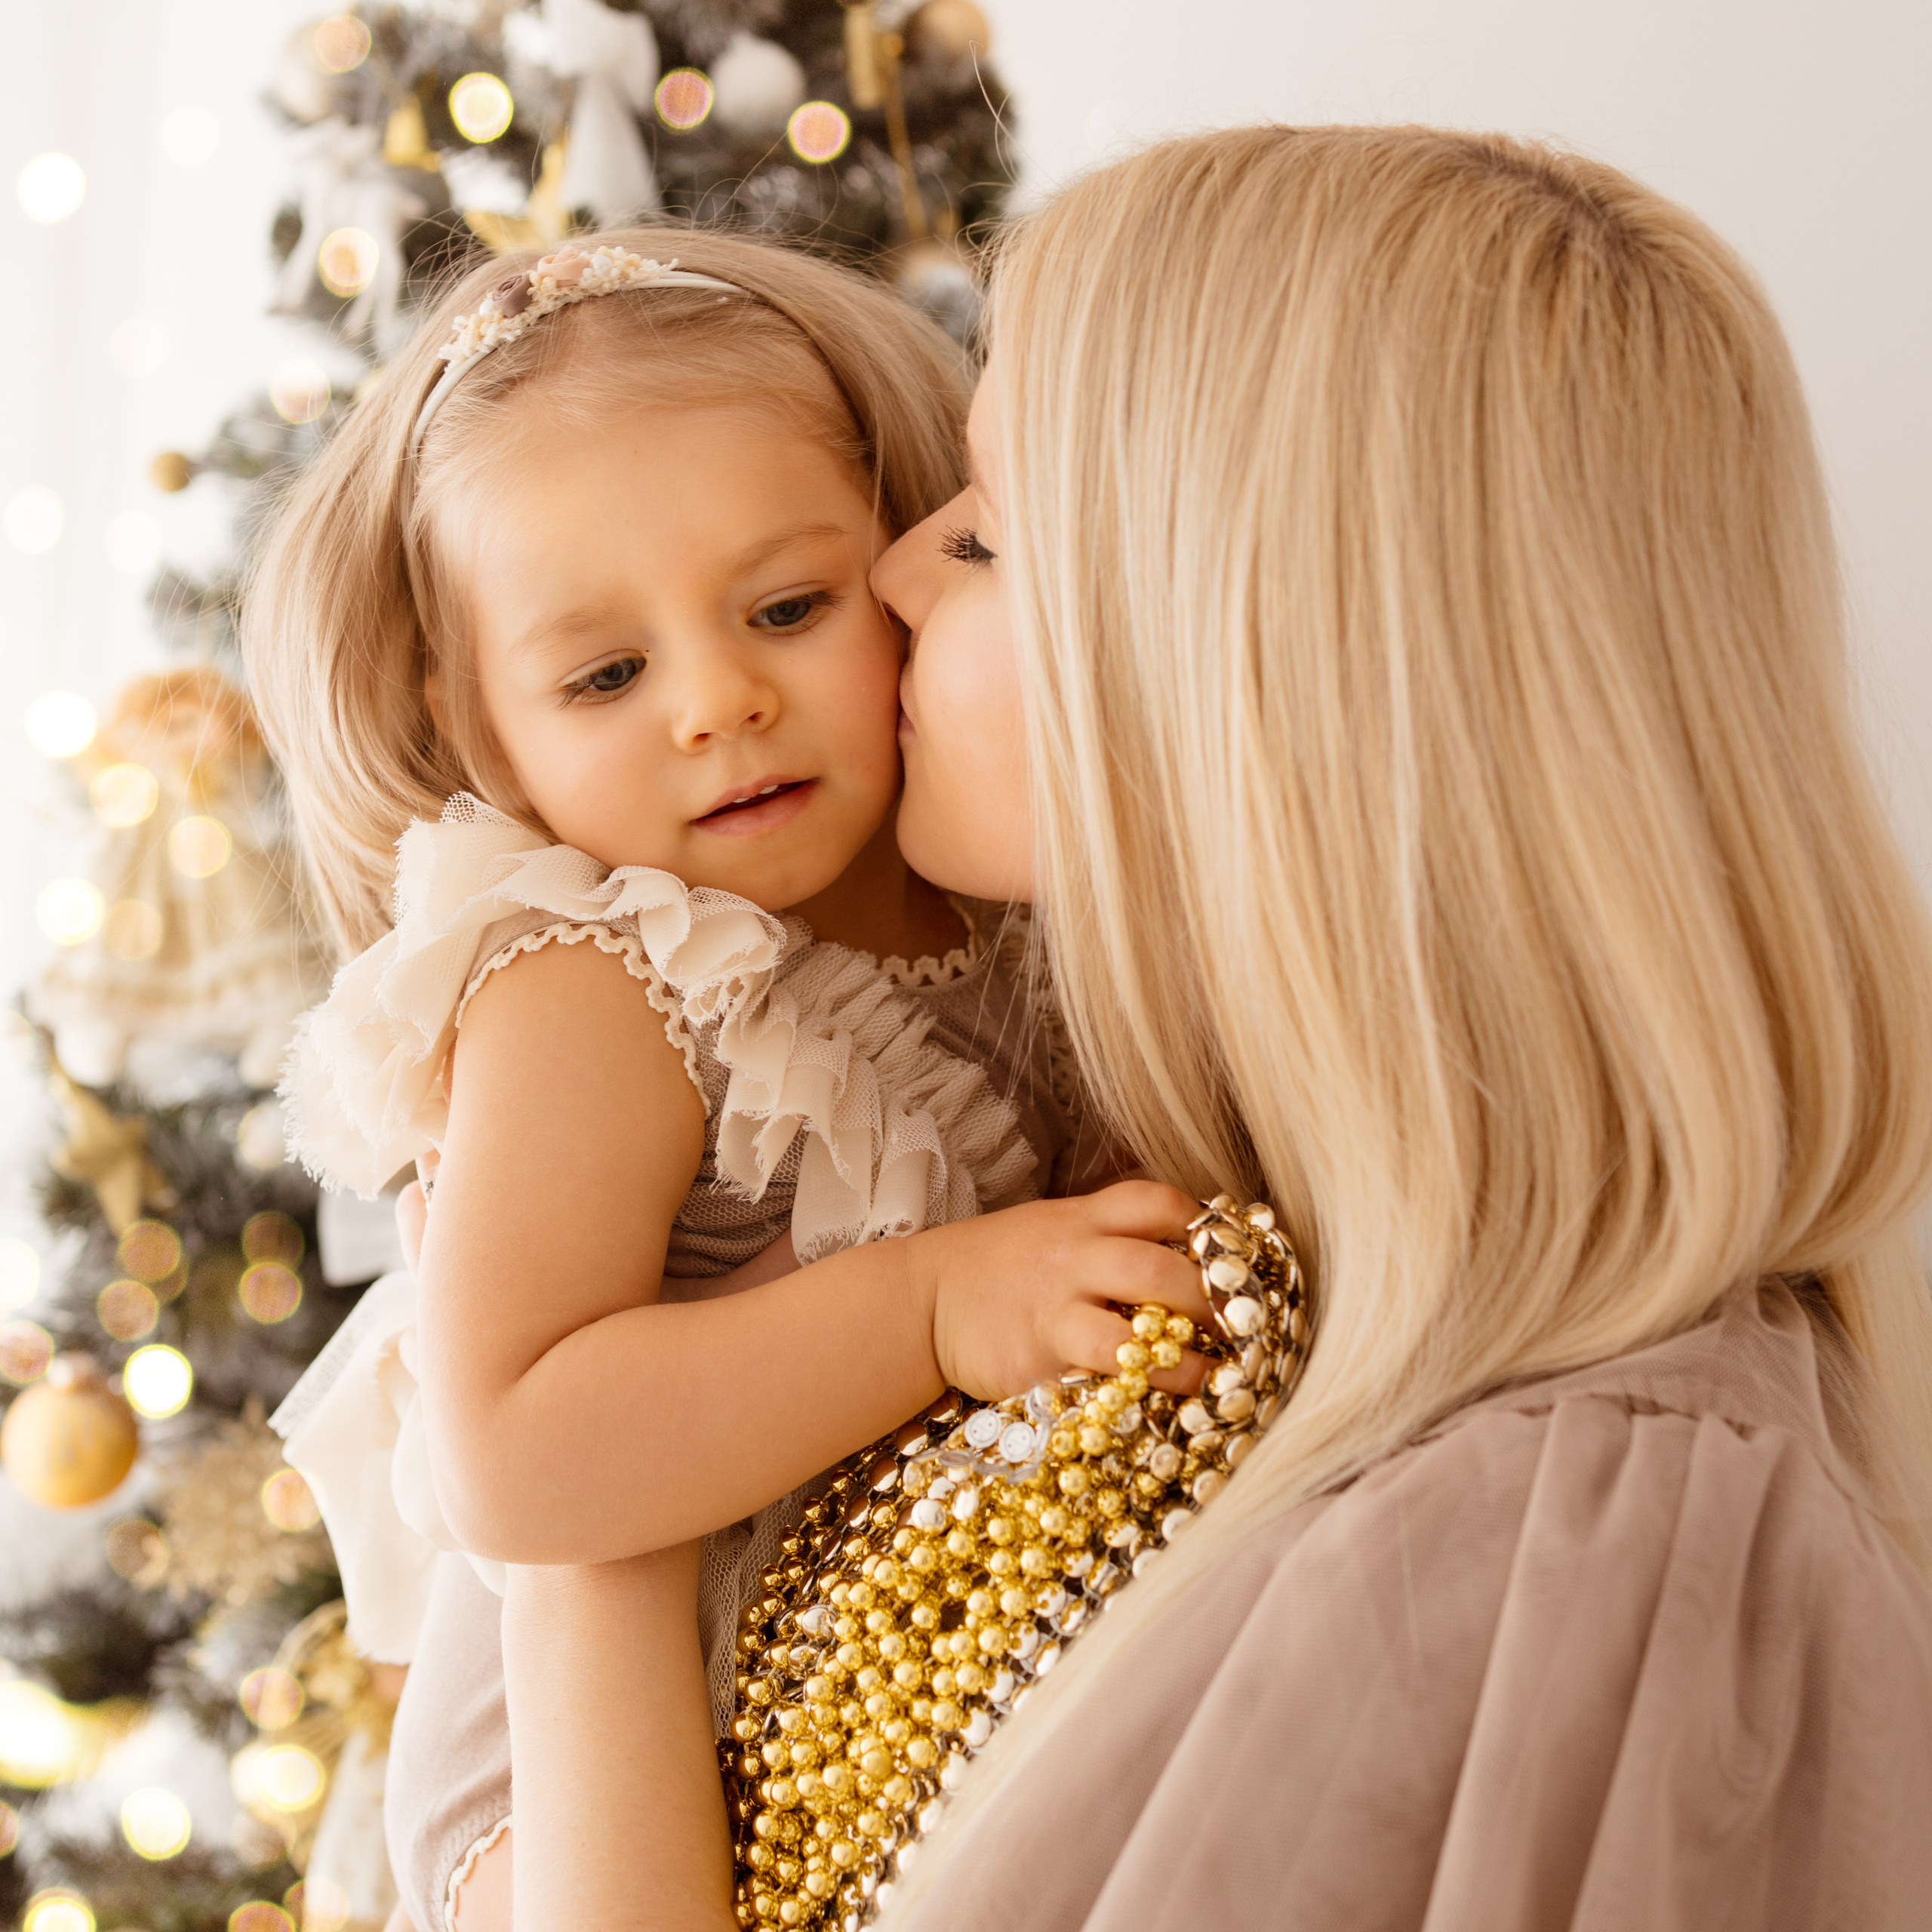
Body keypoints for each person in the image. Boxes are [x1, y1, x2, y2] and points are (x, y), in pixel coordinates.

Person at [519, 125, 1932, 1928]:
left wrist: (579, 1516)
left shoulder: (1577, 1540)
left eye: (992, 533)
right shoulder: (1139, 1236)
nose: (885, 577)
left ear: (1246, 679)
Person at [242, 229, 1211, 1932]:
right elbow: (513, 1458)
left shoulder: (986, 884)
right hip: (565, 1762)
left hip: (862, 1667)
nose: (719, 703)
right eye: (605, 675)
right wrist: (928, 1307)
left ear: (897, 557)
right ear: (478, 729)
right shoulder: (600, 969)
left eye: (785, 607)